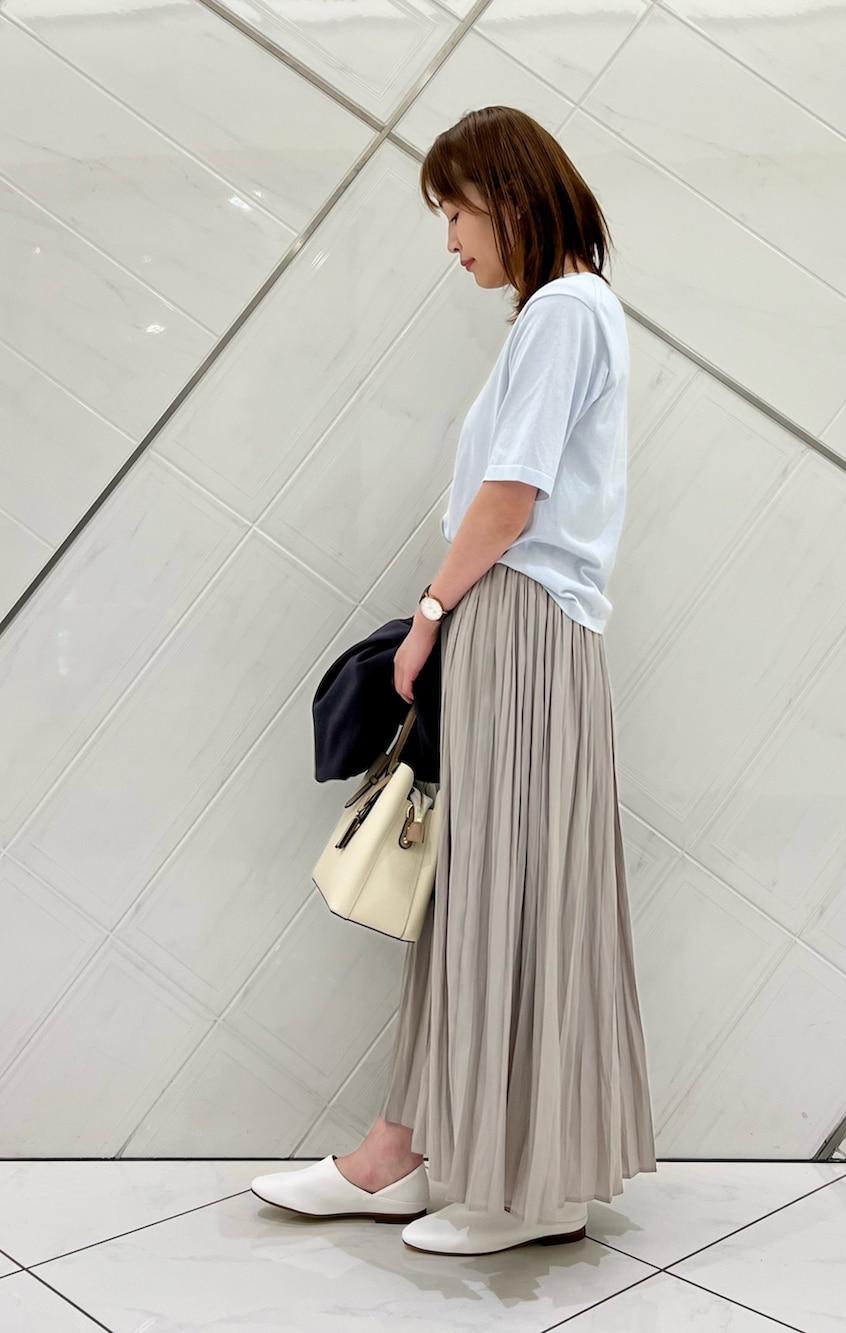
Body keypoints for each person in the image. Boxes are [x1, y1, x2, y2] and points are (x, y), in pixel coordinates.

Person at [252, 106, 657, 1256]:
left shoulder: (565, 312)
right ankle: (415, 1152)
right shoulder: (566, 312)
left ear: (511, 199)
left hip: (519, 624)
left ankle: (521, 1184)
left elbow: (510, 496)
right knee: (493, 889)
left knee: (505, 891)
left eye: (456, 213)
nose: (450, 242)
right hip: (522, 628)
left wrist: (430, 613)